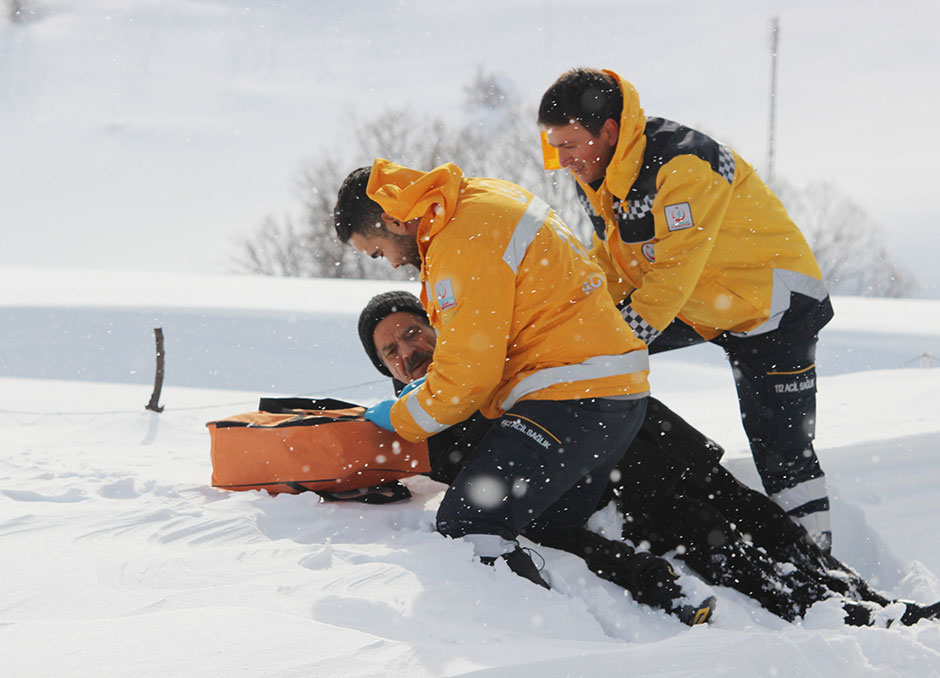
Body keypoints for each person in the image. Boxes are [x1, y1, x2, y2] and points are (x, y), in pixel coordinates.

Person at [355, 290, 940, 627]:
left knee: (761, 519)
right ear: (385, 369)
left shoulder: (496, 344)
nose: (409, 351)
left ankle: (873, 600)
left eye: (413, 333)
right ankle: (837, 615)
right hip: (619, 488)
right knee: (720, 544)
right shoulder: (427, 420)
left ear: (438, 324)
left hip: (657, 442)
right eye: (392, 351)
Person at [333, 159, 664, 603]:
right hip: (614, 394)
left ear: (394, 218)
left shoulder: (460, 239)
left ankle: (532, 642)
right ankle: (661, 591)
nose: (390, 264)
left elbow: (469, 375)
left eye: (377, 251)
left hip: (569, 397)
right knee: (547, 525)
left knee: (468, 522)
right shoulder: (482, 199)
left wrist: (401, 418)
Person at [538, 68, 835, 552]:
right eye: (555, 148)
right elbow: (611, 261)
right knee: (586, 353)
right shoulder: (597, 172)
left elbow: (673, 273)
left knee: (782, 450)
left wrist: (615, 336)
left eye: (569, 146)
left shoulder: (682, 164)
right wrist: (574, 319)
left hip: (774, 305)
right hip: (703, 304)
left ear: (608, 132)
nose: (562, 161)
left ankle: (818, 559)